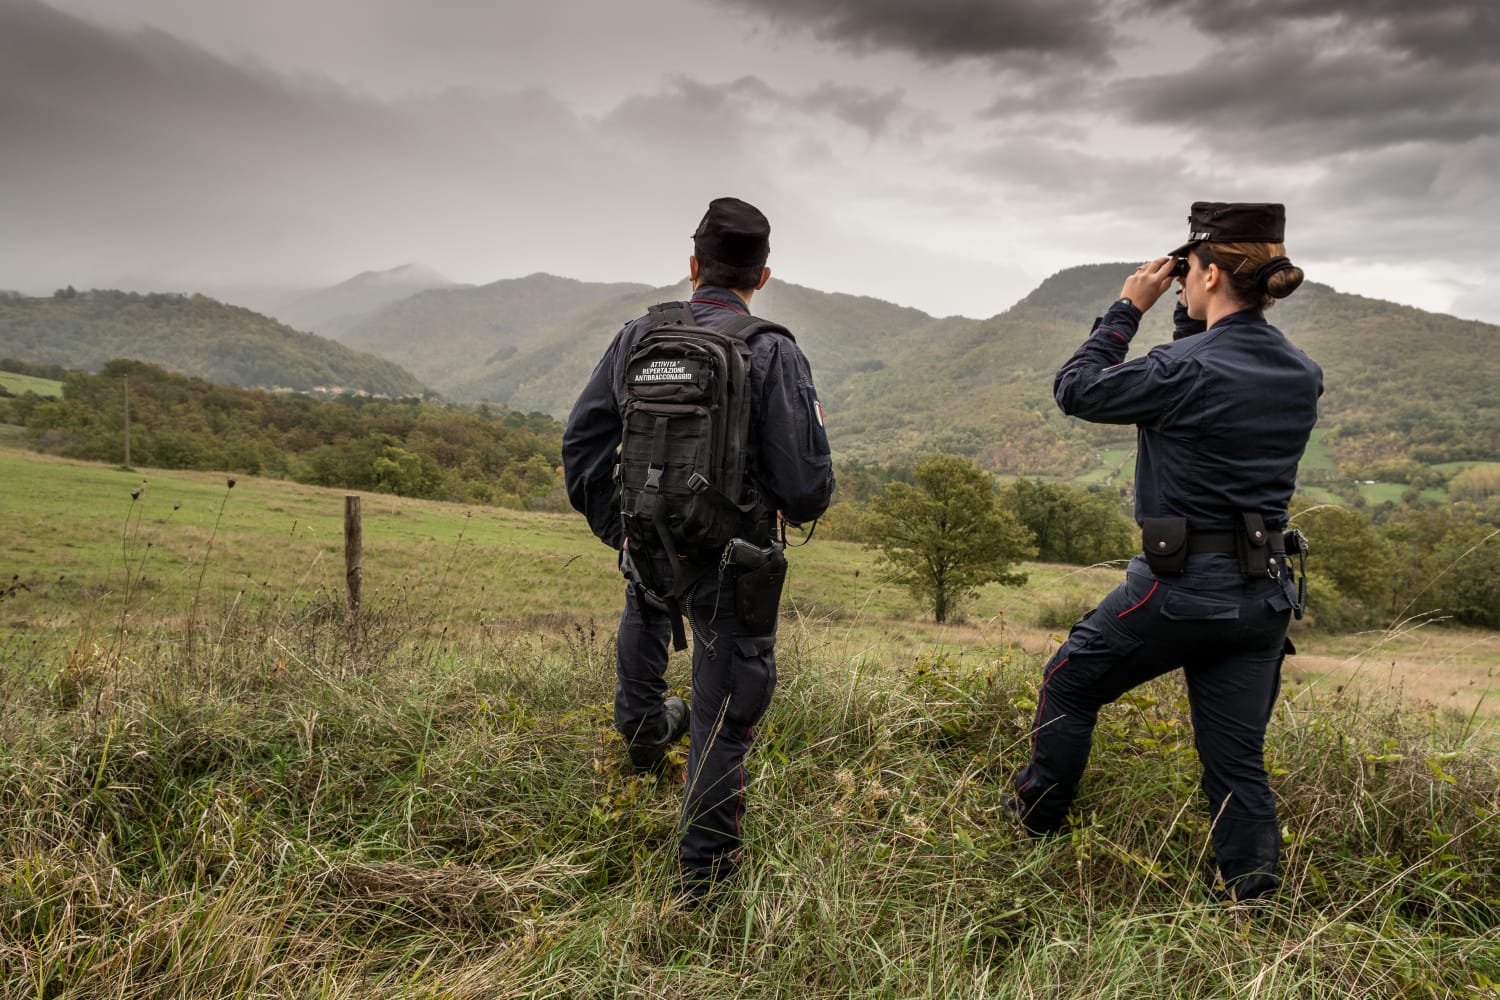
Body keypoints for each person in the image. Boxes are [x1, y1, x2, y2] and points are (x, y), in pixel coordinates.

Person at [1008, 202, 1323, 902]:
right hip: (1263, 595)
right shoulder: (1302, 372)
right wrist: (1188, 314)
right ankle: (1250, 898)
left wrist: (1127, 308)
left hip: (1178, 590)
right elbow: (1207, 365)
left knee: (1070, 684)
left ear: (1208, 273)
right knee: (1236, 760)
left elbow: (1077, 389)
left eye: (1190, 274)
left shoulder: (1185, 368)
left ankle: (1034, 824)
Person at [562, 196, 834, 900]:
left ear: (693, 268)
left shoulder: (637, 338)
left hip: (648, 540)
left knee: (647, 612)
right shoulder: (771, 348)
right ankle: (702, 884)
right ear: (763, 276)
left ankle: (646, 737)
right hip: (731, 561)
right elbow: (806, 491)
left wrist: (620, 528)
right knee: (723, 715)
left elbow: (582, 443)